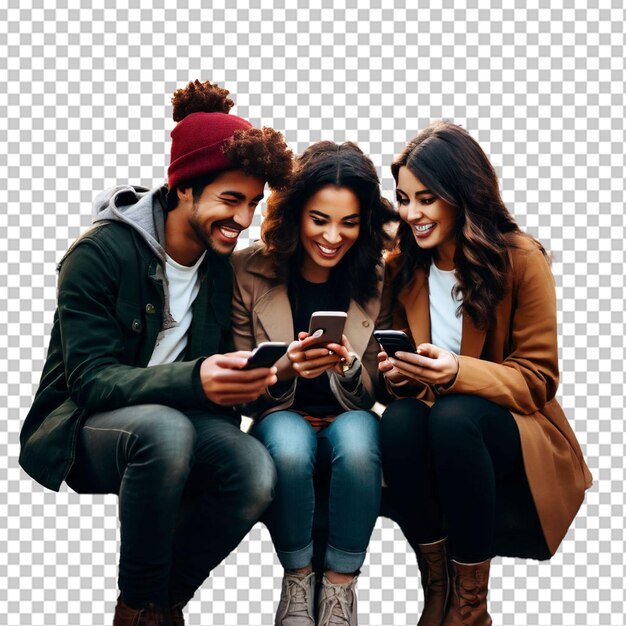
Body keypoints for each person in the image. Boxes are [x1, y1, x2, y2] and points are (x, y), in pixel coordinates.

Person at [19, 80, 293, 626]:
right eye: (230, 200)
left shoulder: (221, 267)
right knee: (165, 431)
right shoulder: (98, 253)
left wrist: (267, 378)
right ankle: (136, 606)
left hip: (186, 421)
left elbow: (216, 378)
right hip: (85, 427)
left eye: (252, 204)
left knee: (256, 468)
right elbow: (90, 381)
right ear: (184, 190)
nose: (243, 220)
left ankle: (163, 604)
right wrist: (195, 381)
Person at [377, 122, 592, 626]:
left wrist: (455, 371)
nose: (411, 214)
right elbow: (393, 374)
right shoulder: (403, 266)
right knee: (399, 420)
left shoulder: (520, 258)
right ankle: (438, 591)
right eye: (405, 199)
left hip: (512, 426)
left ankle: (471, 607)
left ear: (462, 195)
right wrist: (399, 372)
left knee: (454, 415)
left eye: (426, 199)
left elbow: (538, 379)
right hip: (433, 423)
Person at [231, 141, 397, 626]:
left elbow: (372, 392)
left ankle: (341, 588)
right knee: (288, 447)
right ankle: (299, 580)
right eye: (319, 219)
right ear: (295, 213)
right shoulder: (247, 269)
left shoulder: (376, 274)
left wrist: (347, 368)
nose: (333, 236)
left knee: (361, 444)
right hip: (279, 413)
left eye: (348, 222)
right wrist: (285, 368)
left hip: (348, 414)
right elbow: (242, 385)